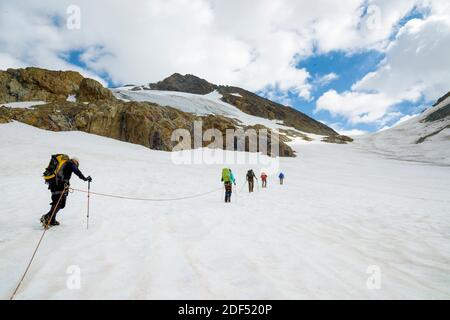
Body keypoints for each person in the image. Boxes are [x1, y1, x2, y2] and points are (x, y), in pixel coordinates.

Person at [41, 157, 92, 226]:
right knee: (60, 203)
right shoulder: (70, 163)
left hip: (53, 185)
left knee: (56, 202)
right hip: (60, 186)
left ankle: (51, 220)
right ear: (76, 162)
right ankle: (47, 216)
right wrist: (85, 178)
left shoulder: (63, 164)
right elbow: (76, 171)